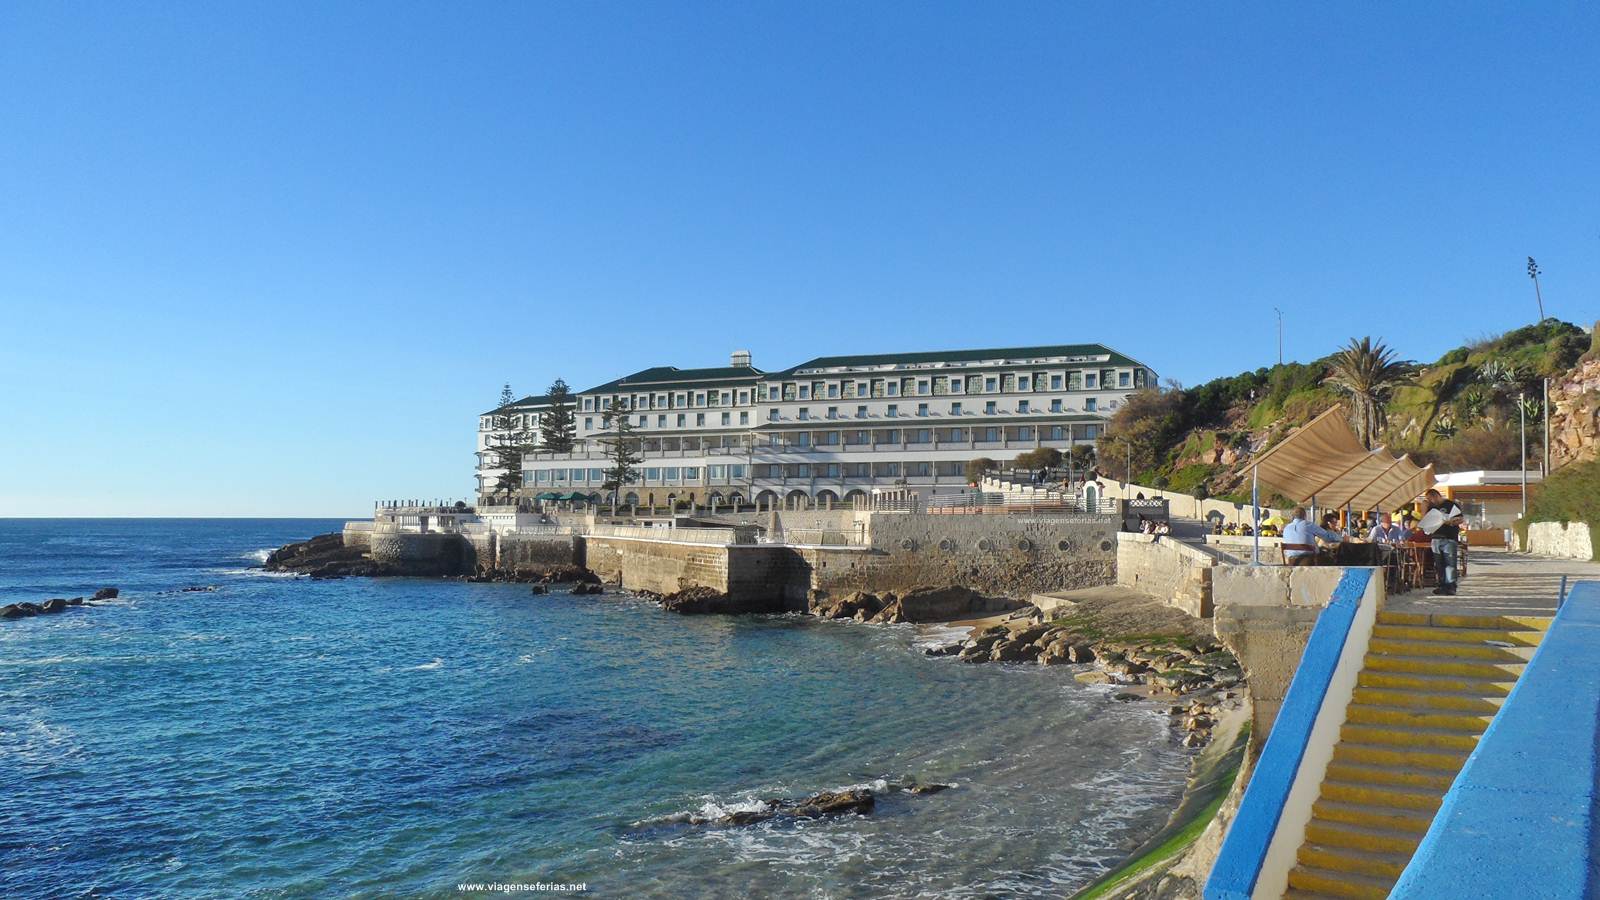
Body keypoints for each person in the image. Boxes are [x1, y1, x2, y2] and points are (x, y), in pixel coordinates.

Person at [1424, 488, 1466, 596]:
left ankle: (1451, 586)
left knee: (1450, 563)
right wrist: (1424, 506)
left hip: (1449, 538)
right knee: (1439, 564)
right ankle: (1442, 585)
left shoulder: (1450, 504)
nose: (1430, 501)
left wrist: (1451, 522)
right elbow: (1425, 520)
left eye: (1430, 499)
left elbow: (1461, 519)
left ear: (1436, 495)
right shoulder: (1430, 507)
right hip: (1436, 538)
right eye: (1428, 500)